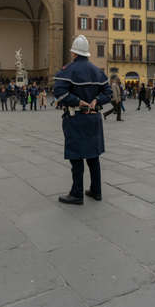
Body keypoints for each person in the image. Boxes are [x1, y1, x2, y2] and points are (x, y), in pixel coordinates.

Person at [54, 35, 112, 205]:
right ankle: (96, 191)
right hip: (94, 119)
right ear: (87, 53)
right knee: (94, 156)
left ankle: (77, 193)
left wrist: (77, 101)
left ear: (73, 53)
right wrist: (96, 101)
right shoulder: (98, 71)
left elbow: (60, 92)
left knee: (77, 157)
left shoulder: (68, 71)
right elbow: (108, 93)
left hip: (76, 118)